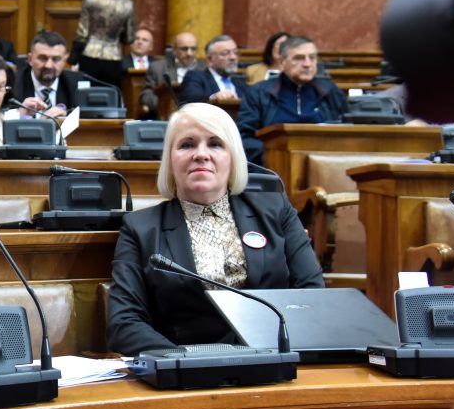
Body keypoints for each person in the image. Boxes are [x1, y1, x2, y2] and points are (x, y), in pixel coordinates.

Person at [105, 102, 324, 356]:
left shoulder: (276, 211)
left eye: (215, 144)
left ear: (233, 158)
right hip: (189, 376)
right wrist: (188, 362)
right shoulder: (141, 228)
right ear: (170, 160)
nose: (201, 154)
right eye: (187, 144)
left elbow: (312, 297)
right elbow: (124, 325)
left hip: (276, 362)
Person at [237, 35, 347, 164]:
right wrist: (271, 156)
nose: (307, 64)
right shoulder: (259, 93)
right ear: (282, 63)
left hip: (325, 164)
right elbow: (244, 137)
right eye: (299, 58)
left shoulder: (330, 92)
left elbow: (346, 132)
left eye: (312, 58)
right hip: (273, 165)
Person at [74, 0, 136, 85]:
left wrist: (73, 57)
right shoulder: (127, 4)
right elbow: (129, 37)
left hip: (89, 54)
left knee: (86, 93)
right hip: (113, 56)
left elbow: (82, 33)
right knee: (110, 94)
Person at [12, 30, 81, 118]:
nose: (48, 65)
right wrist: (20, 114)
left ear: (64, 60)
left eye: (56, 59)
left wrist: (66, 117)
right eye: (42, 58)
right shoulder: (13, 83)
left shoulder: (76, 83)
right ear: (30, 59)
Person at [139, 31, 202, 117]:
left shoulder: (204, 69)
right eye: (184, 49)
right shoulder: (157, 68)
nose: (189, 53)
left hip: (198, 116)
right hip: (167, 116)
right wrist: (166, 106)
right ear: (174, 50)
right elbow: (146, 95)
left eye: (193, 49)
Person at [178, 35, 248, 105]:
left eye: (235, 52)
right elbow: (191, 98)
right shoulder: (195, 77)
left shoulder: (241, 83)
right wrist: (214, 98)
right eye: (225, 53)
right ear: (210, 59)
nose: (233, 57)